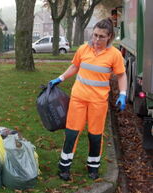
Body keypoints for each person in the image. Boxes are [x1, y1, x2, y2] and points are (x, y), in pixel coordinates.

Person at [49, 18, 127, 181]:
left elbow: (121, 75)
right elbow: (75, 66)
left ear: (110, 37)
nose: (96, 40)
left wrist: (123, 93)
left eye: (101, 37)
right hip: (78, 98)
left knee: (95, 135)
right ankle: (64, 167)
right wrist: (60, 78)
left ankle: (93, 168)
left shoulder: (115, 55)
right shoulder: (84, 49)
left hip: (98, 102)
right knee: (71, 133)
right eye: (95, 35)